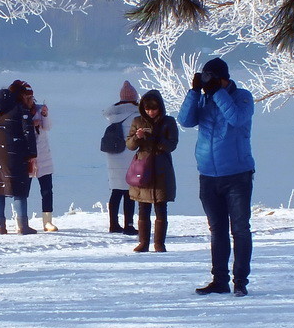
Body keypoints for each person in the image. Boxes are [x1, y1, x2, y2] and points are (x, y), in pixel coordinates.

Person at [177, 58, 255, 297]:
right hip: (208, 175)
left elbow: (237, 119)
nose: (208, 82)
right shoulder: (203, 99)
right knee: (217, 229)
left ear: (224, 78)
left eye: (212, 77)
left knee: (240, 229)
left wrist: (219, 93)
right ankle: (219, 280)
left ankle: (240, 281)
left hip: (237, 174)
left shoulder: (242, 97)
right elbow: (185, 121)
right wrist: (193, 92)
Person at [126, 90, 178, 252]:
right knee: (143, 207)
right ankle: (143, 242)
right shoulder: (137, 121)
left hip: (162, 169)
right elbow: (129, 145)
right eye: (148, 109)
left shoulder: (168, 122)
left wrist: (155, 137)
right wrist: (137, 137)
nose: (151, 112)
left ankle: (159, 243)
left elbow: (172, 145)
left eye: (154, 109)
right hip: (143, 168)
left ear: (160, 108)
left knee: (161, 207)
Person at [0, 86, 38, 235]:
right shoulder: (20, 109)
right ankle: (23, 226)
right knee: (19, 189)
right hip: (15, 154)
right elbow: (29, 133)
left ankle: (0, 226)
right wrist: (32, 154)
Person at [11, 80, 58, 232]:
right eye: (28, 97)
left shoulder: (38, 109)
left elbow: (48, 127)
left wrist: (44, 115)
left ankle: (47, 221)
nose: (31, 100)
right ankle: (21, 220)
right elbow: (16, 130)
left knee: (47, 189)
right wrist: (32, 125)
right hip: (27, 156)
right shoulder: (17, 112)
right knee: (24, 190)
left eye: (32, 97)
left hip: (43, 155)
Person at [103, 81, 139, 235]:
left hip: (113, 155)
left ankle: (113, 224)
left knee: (116, 190)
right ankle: (129, 225)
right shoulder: (137, 115)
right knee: (129, 191)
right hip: (130, 155)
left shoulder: (113, 115)